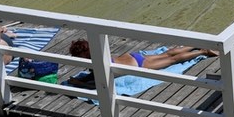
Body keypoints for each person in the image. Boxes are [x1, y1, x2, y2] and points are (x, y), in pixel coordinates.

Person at [67, 39, 218, 88]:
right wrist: (83, 79)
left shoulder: (96, 62)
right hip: (133, 57)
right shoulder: (100, 52)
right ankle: (193, 44)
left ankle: (202, 52)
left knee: (172, 59)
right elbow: (93, 76)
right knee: (167, 54)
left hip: (138, 65)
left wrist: (78, 83)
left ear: (82, 54)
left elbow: (97, 84)